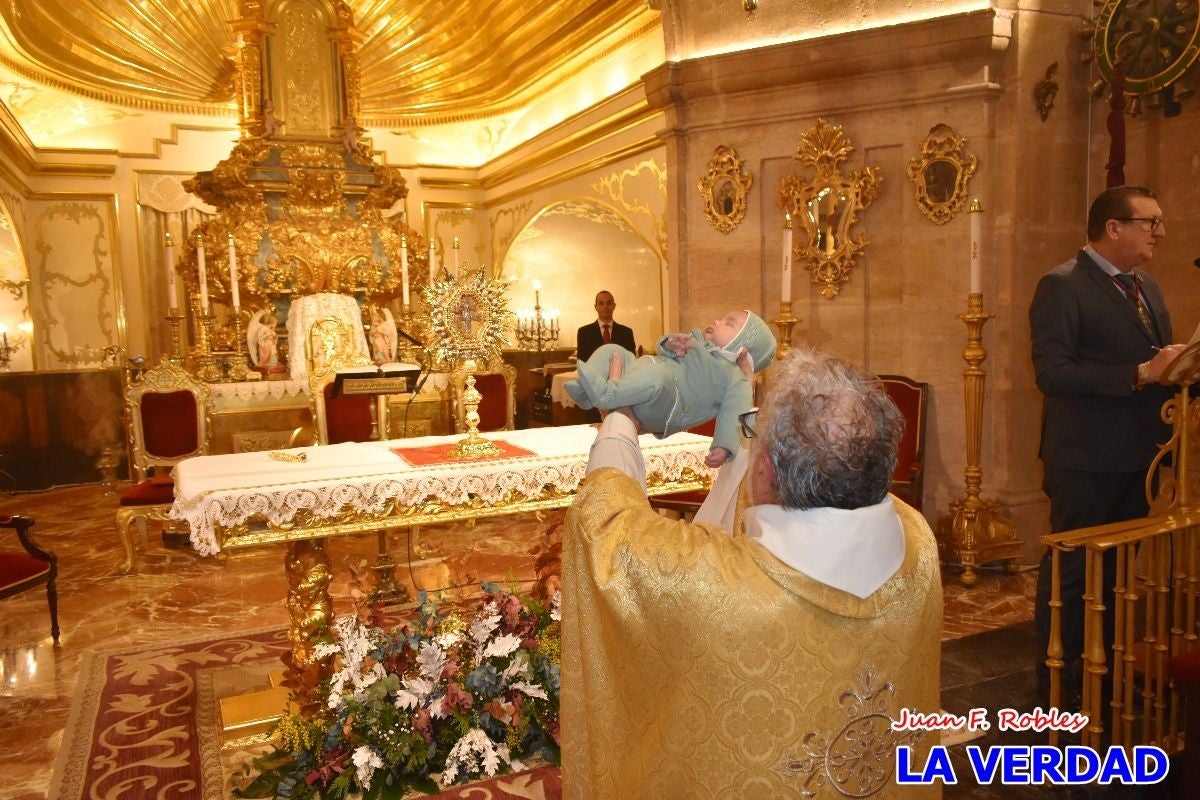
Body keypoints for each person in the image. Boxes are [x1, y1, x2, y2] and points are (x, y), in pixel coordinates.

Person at [561, 346, 943, 798]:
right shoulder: (917, 545)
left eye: (753, 436)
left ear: (765, 466)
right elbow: (825, 475)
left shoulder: (713, 589)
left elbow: (606, 529)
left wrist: (620, 418)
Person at [1029, 185, 1186, 702]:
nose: (1159, 232)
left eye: (1160, 221)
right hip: (1086, 458)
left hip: (1139, 454)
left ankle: (1109, 668)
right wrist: (1143, 372)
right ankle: (1060, 676)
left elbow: (1157, 366)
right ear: (1113, 227)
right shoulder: (1063, 285)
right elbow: (1053, 374)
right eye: (1149, 222)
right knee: (1075, 571)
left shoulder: (1147, 286)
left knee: (1119, 572)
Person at [563, 308, 775, 466]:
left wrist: (723, 446)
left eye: (729, 323)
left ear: (743, 348)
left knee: (657, 377)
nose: (717, 320)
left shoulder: (734, 379)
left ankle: (607, 394)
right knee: (612, 350)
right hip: (643, 377)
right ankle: (585, 391)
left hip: (668, 403)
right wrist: (669, 344)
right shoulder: (697, 341)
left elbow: (734, 414)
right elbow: (666, 350)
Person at [576, 290, 635, 363]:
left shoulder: (626, 333)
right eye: (601, 303)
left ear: (614, 306)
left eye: (609, 303)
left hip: (621, 374)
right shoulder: (584, 333)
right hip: (593, 374)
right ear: (596, 307)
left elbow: (630, 361)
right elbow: (582, 362)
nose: (605, 306)